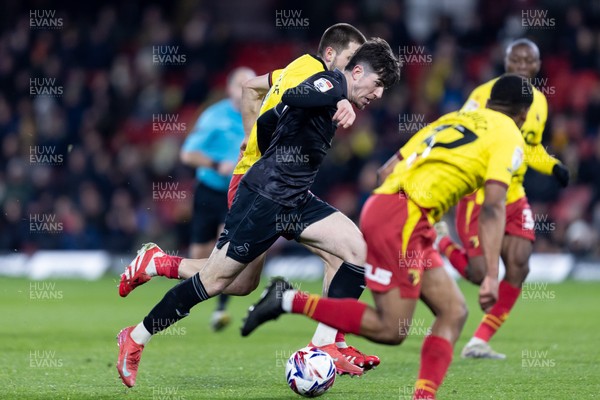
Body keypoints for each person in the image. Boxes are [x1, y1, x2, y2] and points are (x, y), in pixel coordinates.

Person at [115, 38, 402, 388]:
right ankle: (137, 335)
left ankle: (325, 343)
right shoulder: (328, 81)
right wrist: (337, 98)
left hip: (294, 198)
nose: (379, 95)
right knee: (216, 281)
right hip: (264, 200)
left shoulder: (328, 86)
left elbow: (268, 118)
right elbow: (297, 95)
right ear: (357, 71)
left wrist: (264, 148)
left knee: (356, 249)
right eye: (378, 85)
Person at [241, 74, 532, 400]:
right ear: (522, 115)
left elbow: (385, 171)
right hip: (405, 219)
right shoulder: (509, 134)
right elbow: (493, 207)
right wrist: (492, 274)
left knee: (453, 310)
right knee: (392, 329)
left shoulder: (453, 120)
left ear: (490, 101)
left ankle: (424, 396)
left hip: (396, 211)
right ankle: (287, 299)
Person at [434, 38, 570, 359]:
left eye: (529, 61)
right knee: (481, 273)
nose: (523, 65)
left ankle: (479, 340)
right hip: (481, 193)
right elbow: (462, 133)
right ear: (506, 62)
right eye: (516, 60)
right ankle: (441, 241)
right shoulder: (483, 95)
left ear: (538, 65)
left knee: (520, 264)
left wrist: (552, 165)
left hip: (514, 192)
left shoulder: (539, 101)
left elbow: (529, 146)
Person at [181, 67, 255, 331]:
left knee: (226, 249)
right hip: (209, 190)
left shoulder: (259, 116)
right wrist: (215, 164)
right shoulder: (214, 116)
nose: (245, 89)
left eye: (250, 84)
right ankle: (183, 298)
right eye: (240, 85)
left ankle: (220, 309)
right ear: (229, 89)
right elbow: (188, 154)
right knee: (200, 253)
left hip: (237, 195)